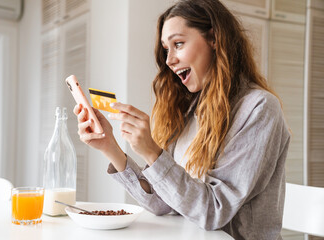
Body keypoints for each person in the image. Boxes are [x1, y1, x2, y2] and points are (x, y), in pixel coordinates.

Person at [73, 0, 290, 239]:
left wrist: (153, 153)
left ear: (214, 39)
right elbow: (163, 203)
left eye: (178, 44)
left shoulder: (258, 109)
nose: (169, 60)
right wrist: (110, 146)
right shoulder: (190, 111)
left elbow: (214, 212)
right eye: (167, 49)